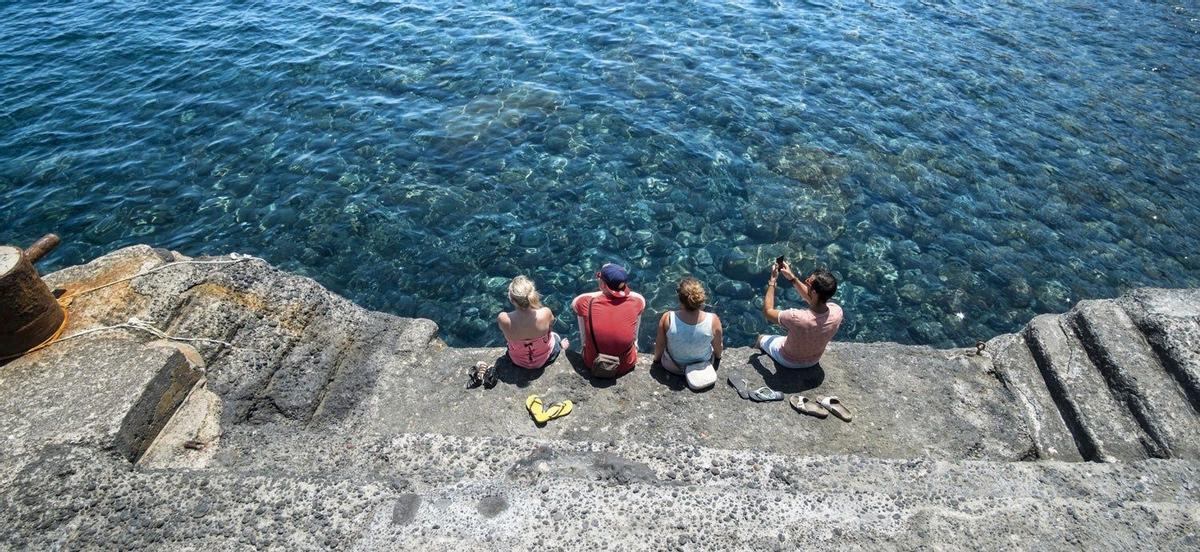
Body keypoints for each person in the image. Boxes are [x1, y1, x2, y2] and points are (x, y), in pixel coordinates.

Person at [758, 261, 842, 369]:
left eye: (808, 282)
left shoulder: (796, 317)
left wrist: (772, 282)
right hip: (814, 360)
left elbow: (767, 312)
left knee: (761, 338)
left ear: (815, 293)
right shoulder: (837, 311)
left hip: (789, 361)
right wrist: (792, 278)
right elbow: (812, 299)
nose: (806, 282)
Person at [572, 263, 646, 377]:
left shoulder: (586, 302)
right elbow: (637, 297)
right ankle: (635, 346)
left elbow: (575, 303)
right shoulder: (638, 301)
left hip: (593, 363)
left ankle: (585, 348)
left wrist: (602, 292)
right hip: (626, 364)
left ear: (602, 284)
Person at [652, 277, 723, 390]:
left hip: (673, 367)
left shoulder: (668, 318)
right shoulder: (713, 320)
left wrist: (656, 361)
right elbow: (718, 346)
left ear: (680, 299)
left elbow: (660, 345)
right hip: (703, 366)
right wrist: (718, 357)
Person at [498, 276, 568, 370]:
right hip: (545, 358)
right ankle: (561, 347)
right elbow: (551, 323)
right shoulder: (545, 312)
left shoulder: (503, 318)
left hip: (517, 360)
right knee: (555, 336)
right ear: (533, 295)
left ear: (512, 300)